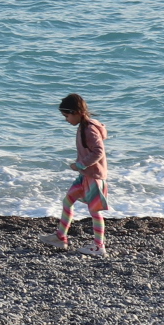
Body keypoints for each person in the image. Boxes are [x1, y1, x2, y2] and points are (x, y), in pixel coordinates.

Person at [54, 95, 109, 256]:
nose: (66, 120)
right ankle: (60, 236)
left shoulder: (89, 129)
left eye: (67, 116)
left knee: (95, 211)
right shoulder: (83, 125)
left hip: (93, 176)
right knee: (68, 200)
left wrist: (80, 164)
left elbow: (99, 151)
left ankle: (99, 246)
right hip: (85, 175)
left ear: (76, 112)